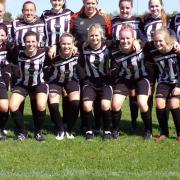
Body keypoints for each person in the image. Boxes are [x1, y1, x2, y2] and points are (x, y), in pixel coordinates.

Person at [71, 0, 112, 134]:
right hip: (83, 62)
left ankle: (99, 125)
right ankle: (85, 125)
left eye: (93, 3)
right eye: (88, 3)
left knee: (101, 101)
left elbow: (111, 39)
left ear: (97, 3)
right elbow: (70, 36)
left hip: (101, 69)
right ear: (83, 2)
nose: (90, 5)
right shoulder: (75, 18)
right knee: (85, 100)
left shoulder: (104, 18)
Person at [110, 24, 151, 139]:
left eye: (128, 38)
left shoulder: (141, 48)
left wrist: (175, 43)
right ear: (119, 38)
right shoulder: (115, 52)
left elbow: (156, 44)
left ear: (133, 38)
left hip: (141, 78)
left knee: (142, 103)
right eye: (122, 38)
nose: (125, 41)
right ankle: (116, 130)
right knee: (115, 104)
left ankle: (148, 130)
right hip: (125, 79)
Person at [11, 1, 46, 131]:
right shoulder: (15, 23)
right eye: (26, 10)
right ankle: (19, 129)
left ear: (35, 11)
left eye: (31, 10)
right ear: (22, 11)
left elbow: (48, 41)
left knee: (37, 102)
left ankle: (38, 129)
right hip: (21, 63)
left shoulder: (42, 23)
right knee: (16, 103)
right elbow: (10, 42)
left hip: (38, 64)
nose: (29, 12)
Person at [112, 0, 146, 130]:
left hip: (135, 60)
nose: (124, 10)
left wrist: (137, 41)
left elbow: (144, 38)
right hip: (119, 61)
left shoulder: (138, 20)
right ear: (119, 8)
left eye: (127, 8)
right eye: (122, 8)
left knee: (135, 94)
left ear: (131, 8)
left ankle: (134, 121)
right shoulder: (114, 21)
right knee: (119, 94)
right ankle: (114, 125)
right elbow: (110, 39)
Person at [9, 31, 48, 141]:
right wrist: (14, 71)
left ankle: (38, 132)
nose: (31, 44)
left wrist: (74, 47)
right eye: (28, 42)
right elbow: (9, 59)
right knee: (12, 106)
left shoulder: (43, 52)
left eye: (33, 41)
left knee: (41, 105)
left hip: (39, 83)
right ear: (24, 42)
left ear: (37, 42)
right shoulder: (18, 52)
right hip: (23, 84)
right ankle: (23, 132)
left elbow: (59, 48)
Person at [42, 0, 74, 135]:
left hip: (66, 52)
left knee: (67, 87)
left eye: (60, 0)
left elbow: (75, 31)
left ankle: (66, 121)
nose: (57, 2)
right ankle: (56, 123)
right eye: (54, 0)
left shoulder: (70, 14)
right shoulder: (44, 15)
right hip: (50, 55)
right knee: (52, 86)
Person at [144, 29, 180, 141]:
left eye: (160, 41)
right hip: (163, 82)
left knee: (174, 104)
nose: (157, 43)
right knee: (159, 104)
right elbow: (150, 70)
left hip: (177, 82)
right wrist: (150, 84)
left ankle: (179, 133)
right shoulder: (153, 52)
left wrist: (179, 86)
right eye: (155, 41)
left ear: (167, 40)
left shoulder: (176, 50)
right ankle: (164, 132)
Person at [78, 23, 112, 140]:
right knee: (87, 106)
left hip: (105, 82)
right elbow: (80, 65)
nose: (94, 38)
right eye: (91, 35)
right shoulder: (83, 47)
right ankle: (89, 130)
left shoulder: (108, 45)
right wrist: (84, 79)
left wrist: (136, 42)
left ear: (101, 35)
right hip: (90, 82)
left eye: (97, 35)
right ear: (88, 37)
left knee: (105, 104)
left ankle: (107, 131)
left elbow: (121, 44)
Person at [48, 32, 80, 140]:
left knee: (76, 103)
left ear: (73, 44)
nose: (66, 46)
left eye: (69, 44)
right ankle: (60, 128)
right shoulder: (53, 54)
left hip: (71, 81)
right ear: (59, 44)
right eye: (63, 44)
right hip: (55, 81)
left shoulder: (78, 53)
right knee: (53, 104)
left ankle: (69, 129)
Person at [0, 23, 11, 140]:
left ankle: (1, 128)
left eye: (2, 35)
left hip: (1, 80)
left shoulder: (8, 47)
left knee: (4, 107)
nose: (0, 37)